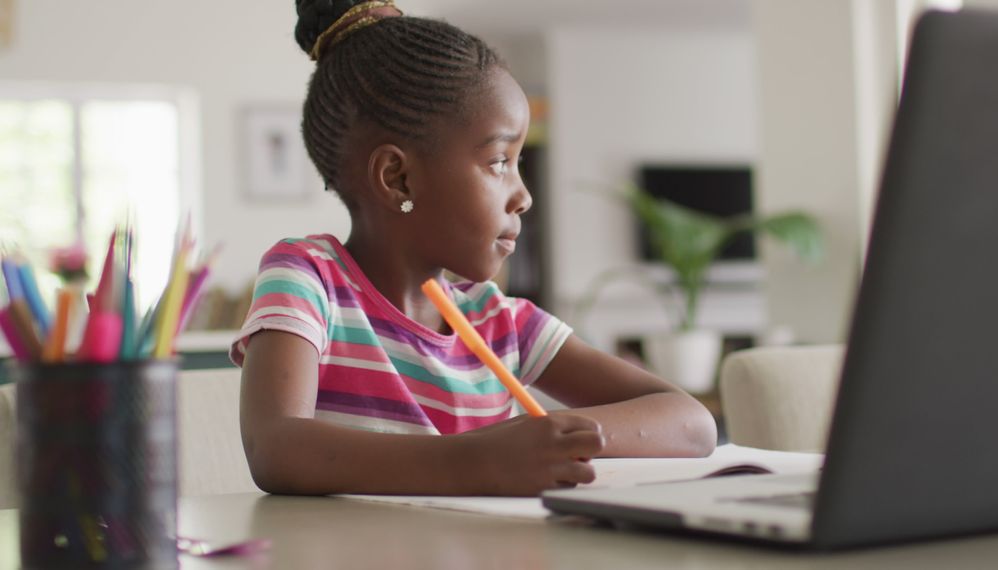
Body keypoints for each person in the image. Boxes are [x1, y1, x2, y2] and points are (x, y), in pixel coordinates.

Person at [231, 0, 718, 497]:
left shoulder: (500, 322)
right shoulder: (308, 278)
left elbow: (692, 423)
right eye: (498, 162)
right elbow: (276, 447)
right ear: (398, 178)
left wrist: (547, 440)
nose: (524, 196)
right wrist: (479, 459)